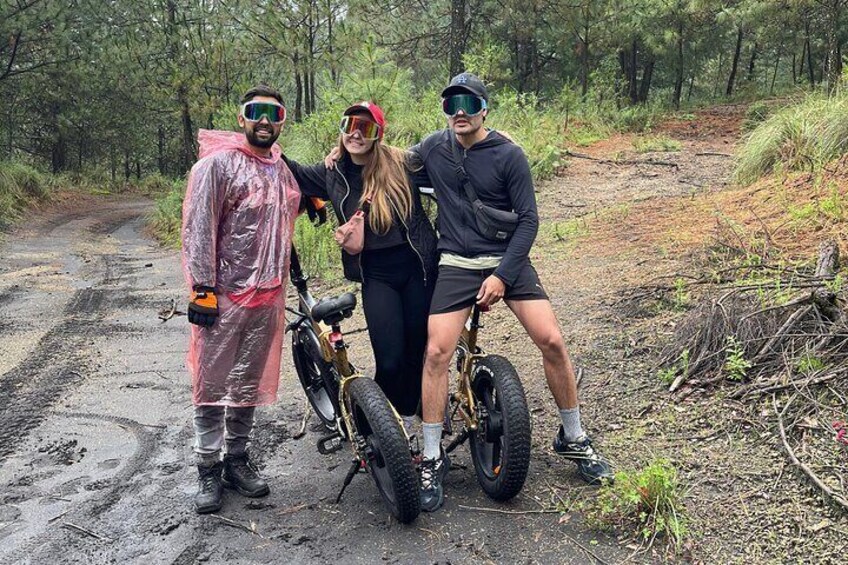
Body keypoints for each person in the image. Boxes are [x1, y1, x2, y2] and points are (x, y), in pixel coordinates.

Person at [411, 73, 613, 512]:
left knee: (552, 341)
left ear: (485, 107)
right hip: (458, 263)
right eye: (451, 104)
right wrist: (340, 156)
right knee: (436, 353)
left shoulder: (508, 154)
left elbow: (528, 221)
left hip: (506, 259)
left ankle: (572, 435)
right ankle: (431, 454)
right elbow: (389, 165)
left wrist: (503, 275)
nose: (459, 111)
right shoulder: (432, 148)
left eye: (468, 102)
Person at [181, 84, 301, 514]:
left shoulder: (281, 169)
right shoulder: (217, 166)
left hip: (266, 297)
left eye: (273, 112)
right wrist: (203, 289)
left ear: (282, 118)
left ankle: (237, 460)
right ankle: (207, 469)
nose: (265, 120)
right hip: (223, 297)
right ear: (242, 117)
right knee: (211, 387)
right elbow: (199, 228)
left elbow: (285, 209)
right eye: (256, 111)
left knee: (247, 386)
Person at [284, 101, 438, 435]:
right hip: (376, 276)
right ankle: (378, 424)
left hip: (417, 270)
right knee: (390, 358)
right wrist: (265, 146)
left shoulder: (403, 163)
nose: (356, 133)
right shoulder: (332, 173)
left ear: (377, 135)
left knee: (416, 352)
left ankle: (407, 421)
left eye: (365, 128)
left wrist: (493, 138)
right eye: (350, 124)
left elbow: (446, 153)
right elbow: (292, 172)